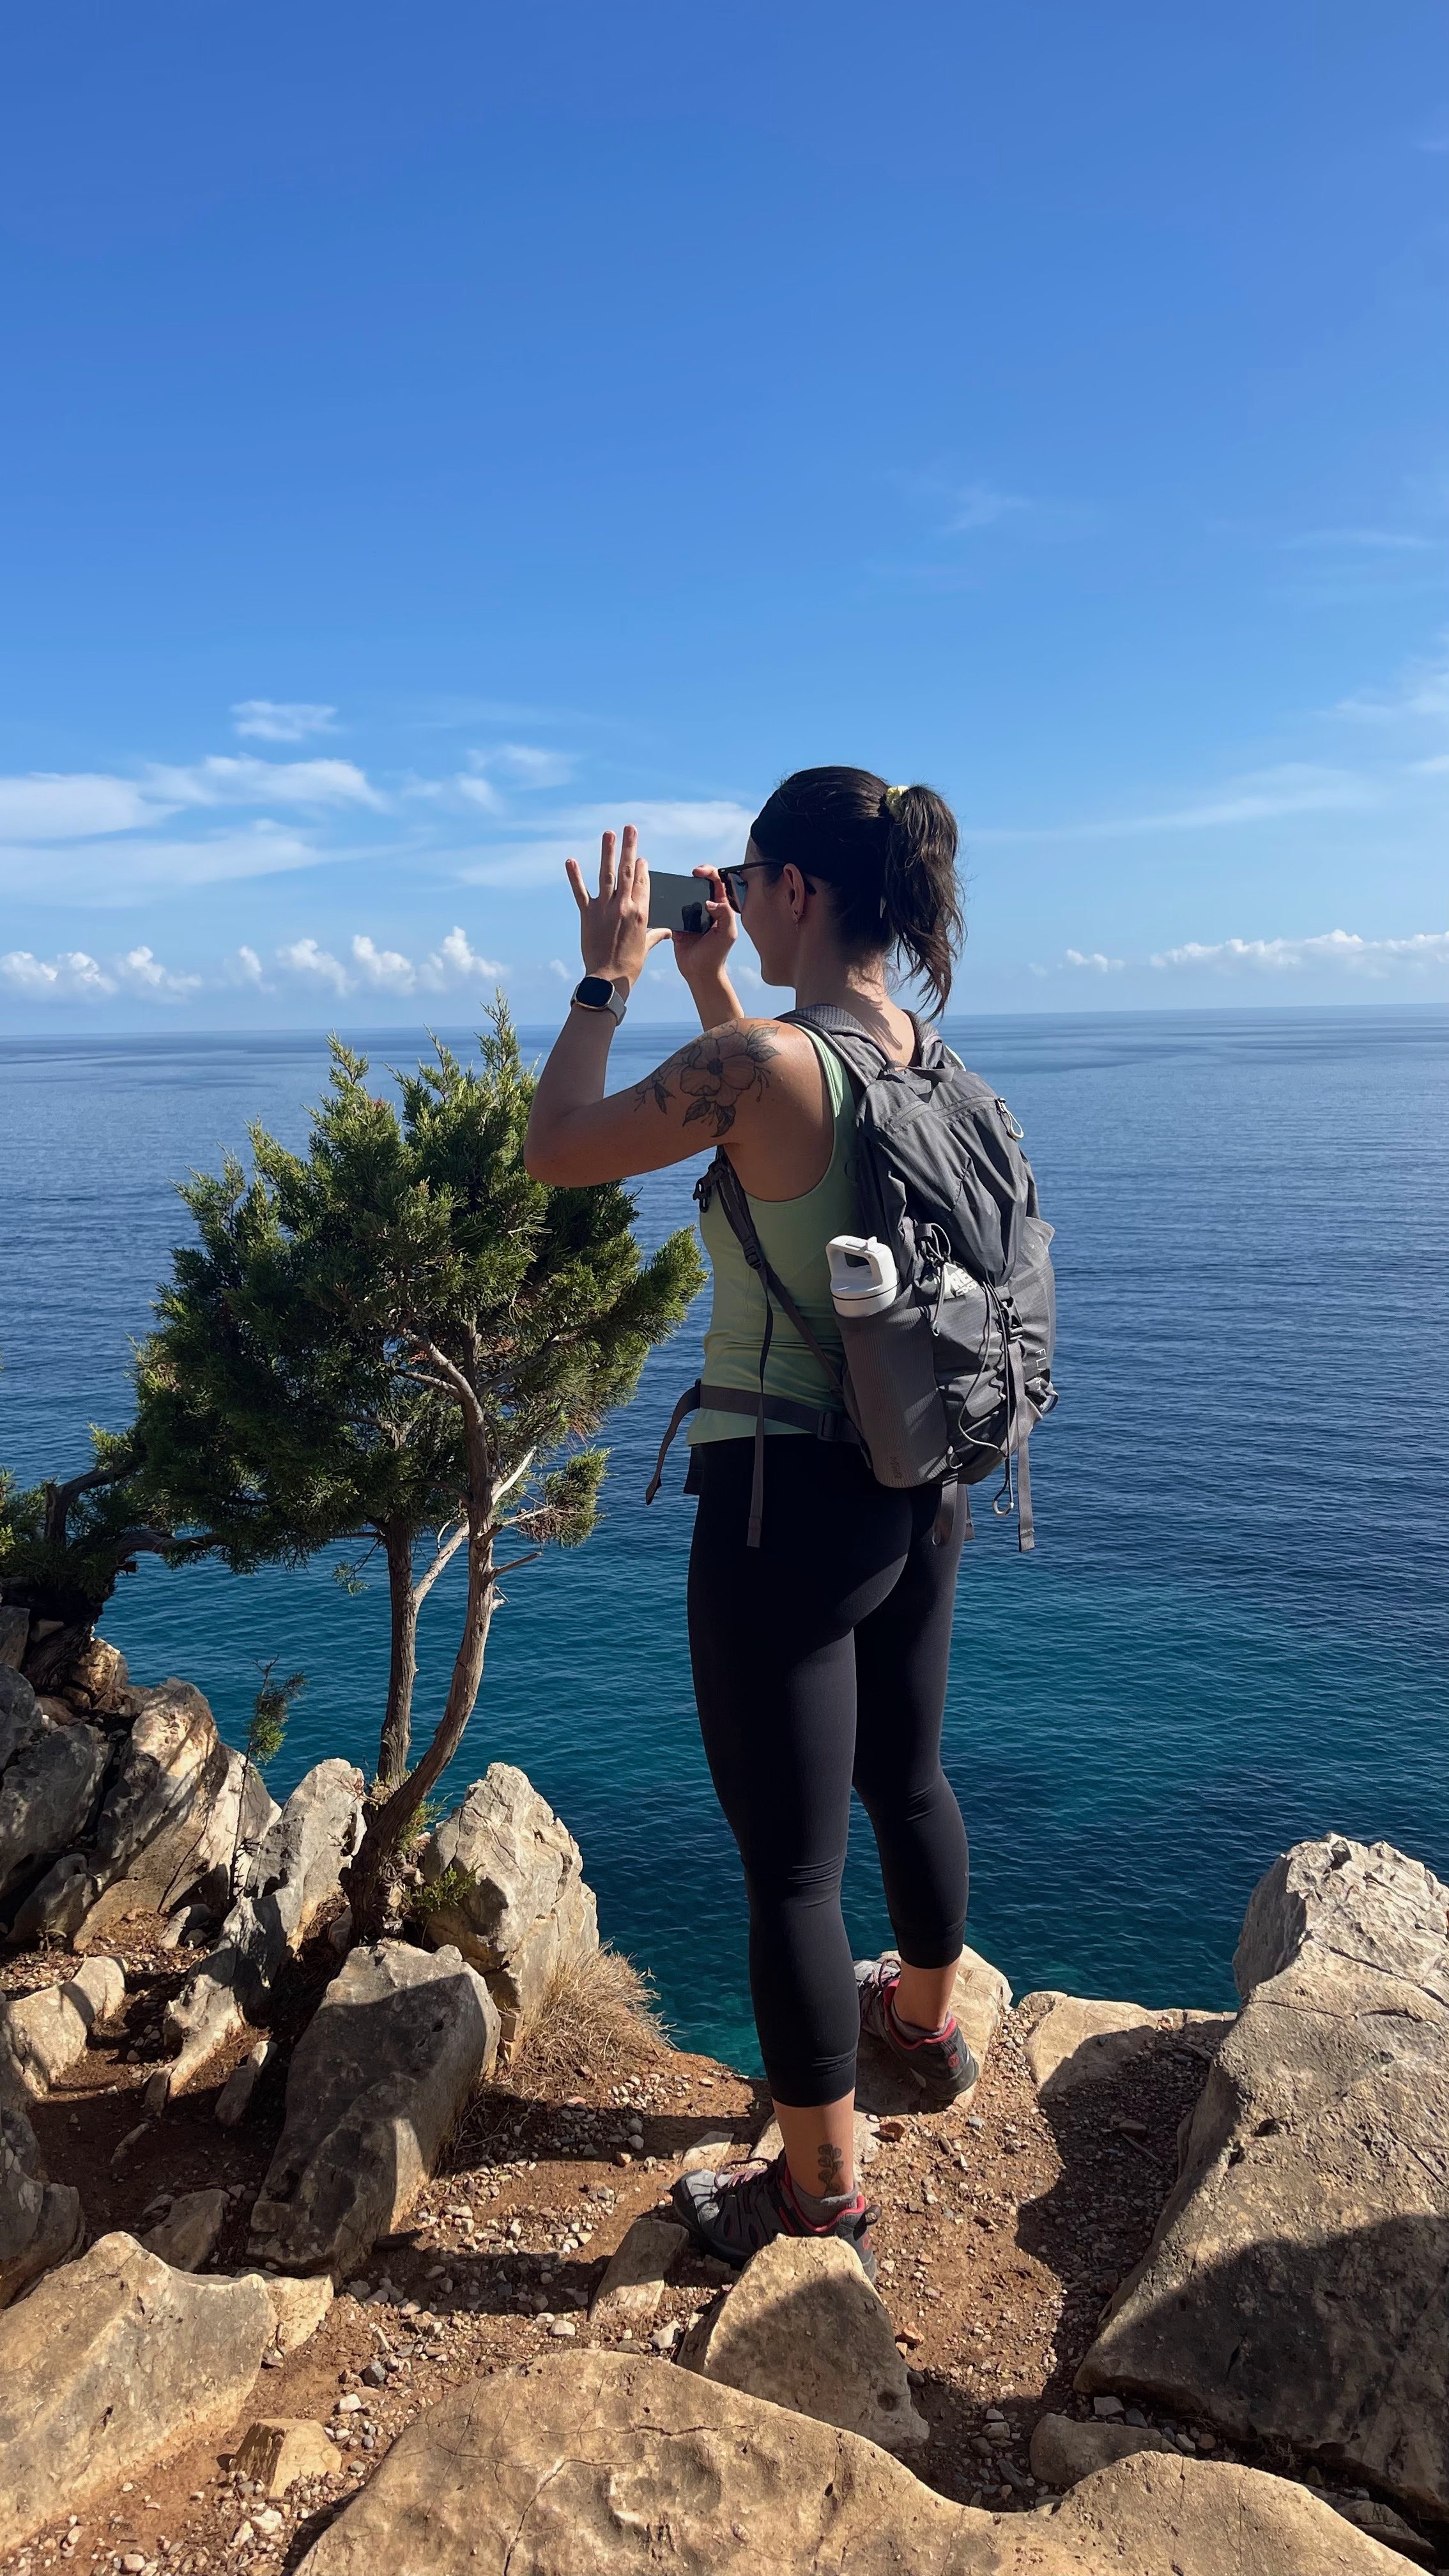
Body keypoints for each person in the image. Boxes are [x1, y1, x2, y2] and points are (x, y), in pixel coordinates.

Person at [525, 766, 977, 2281]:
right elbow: (784, 1096)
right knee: (905, 1772)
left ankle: (819, 2194)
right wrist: (712, 971)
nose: (731, 892)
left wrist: (609, 971)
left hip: (786, 1501)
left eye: (748, 875)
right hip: (924, 1479)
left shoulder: (763, 1071)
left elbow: (562, 1144)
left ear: (795, 887)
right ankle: (924, 2026)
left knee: (790, 1871)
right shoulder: (923, 1058)